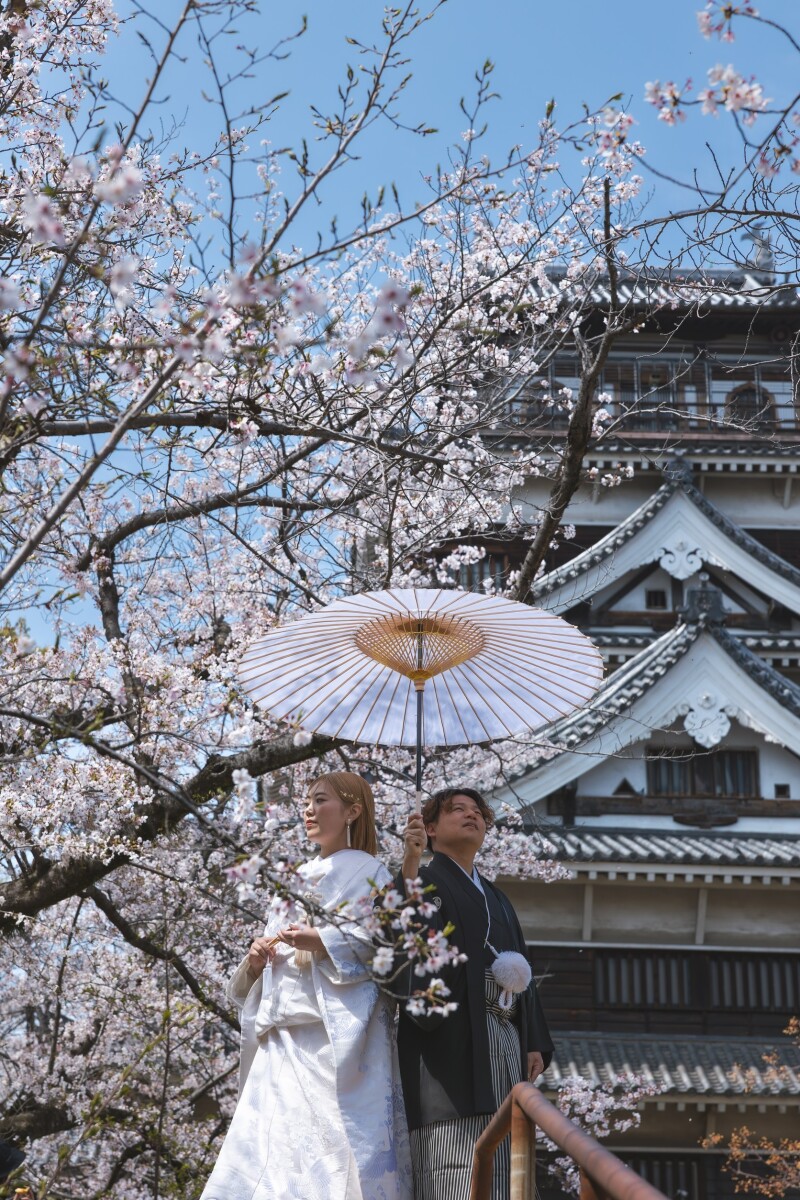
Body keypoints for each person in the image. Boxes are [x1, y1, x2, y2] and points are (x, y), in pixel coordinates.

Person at [201, 771, 413, 1200]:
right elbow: (272, 952)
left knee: (331, 1150)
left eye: (321, 801)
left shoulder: (372, 872)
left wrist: (319, 940)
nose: (309, 810)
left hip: (330, 1036)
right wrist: (257, 957)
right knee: (268, 1153)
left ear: (353, 811)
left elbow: (382, 945)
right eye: (307, 801)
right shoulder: (297, 875)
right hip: (282, 1038)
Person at [397, 787, 554, 1200]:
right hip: (452, 1038)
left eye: (477, 811)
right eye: (457, 810)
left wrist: (533, 1037)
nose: (472, 816)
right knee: (456, 1163)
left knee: (508, 1158)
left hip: (504, 1035)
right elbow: (403, 938)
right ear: (430, 829)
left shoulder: (498, 899)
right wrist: (411, 864)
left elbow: (521, 964)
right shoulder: (425, 880)